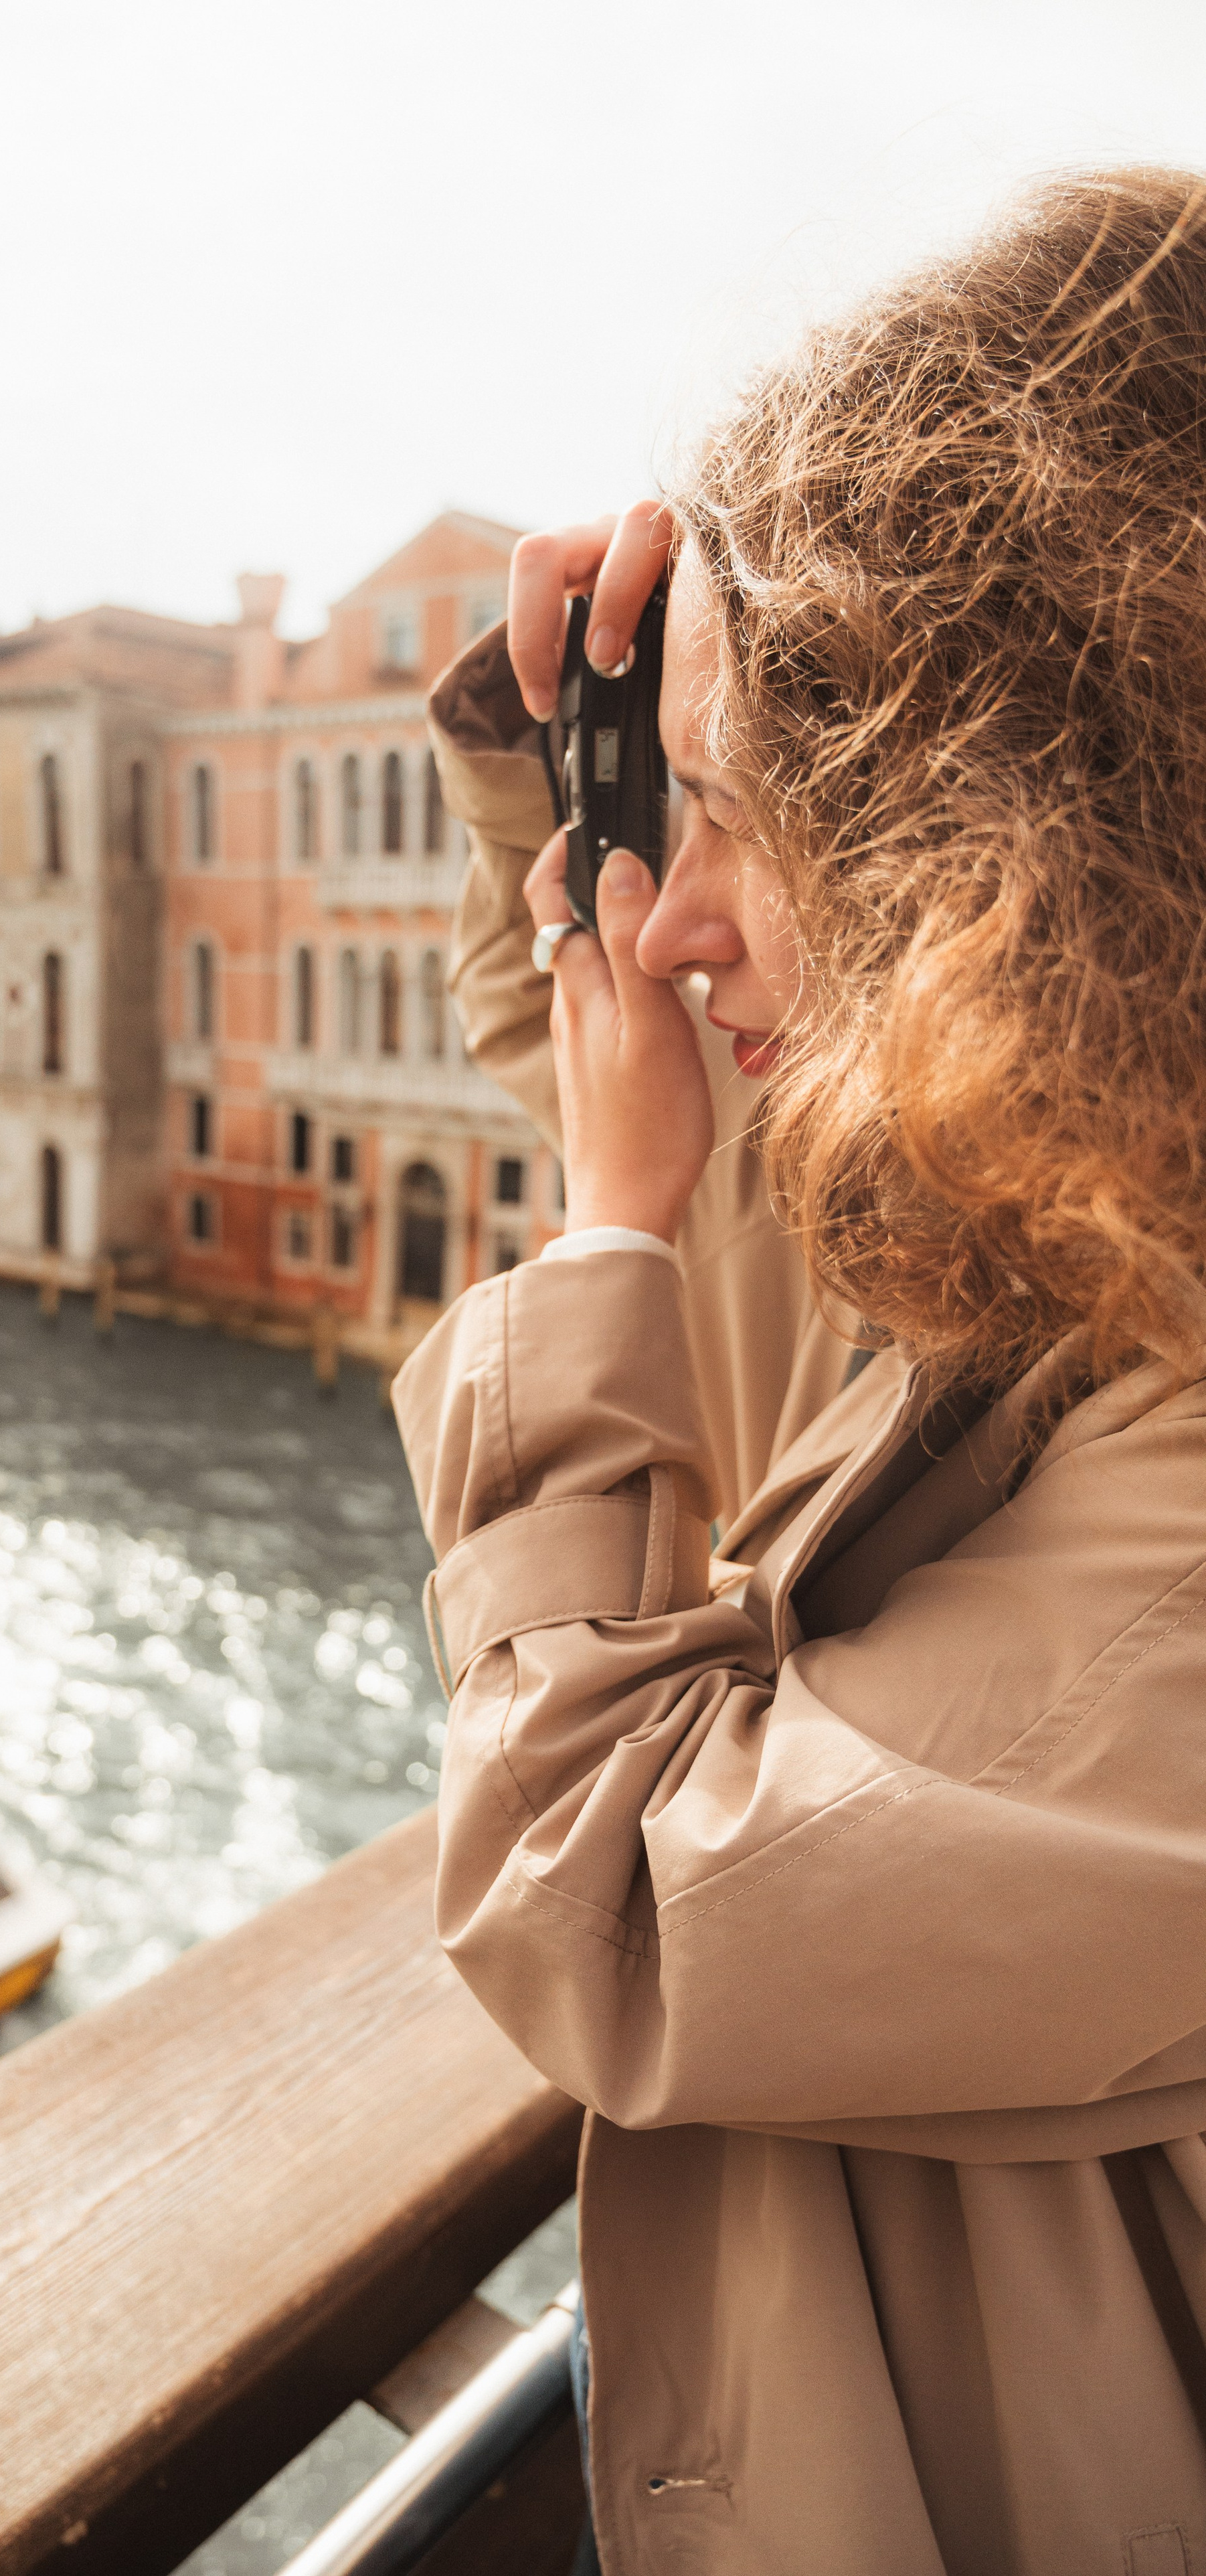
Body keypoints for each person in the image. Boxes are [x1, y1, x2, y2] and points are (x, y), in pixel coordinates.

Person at [395, 168, 1206, 2576]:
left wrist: (608, 1231)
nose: (689, 909)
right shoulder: (1086, 1232)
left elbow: (606, 1901)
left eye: (779, 802)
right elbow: (700, 1090)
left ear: (1039, 823)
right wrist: (575, 770)